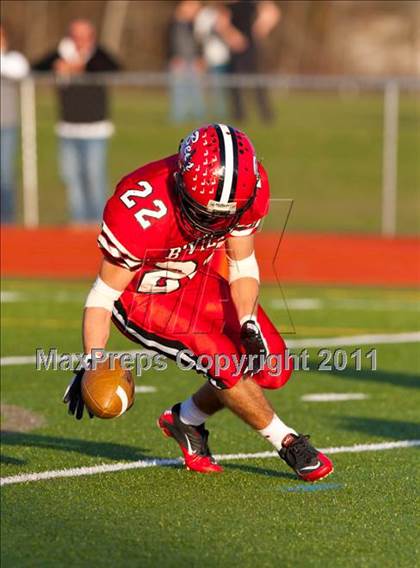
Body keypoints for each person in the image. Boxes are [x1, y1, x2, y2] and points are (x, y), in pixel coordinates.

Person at [63, 123, 334, 482]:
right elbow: (102, 296)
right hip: (141, 298)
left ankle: (185, 420)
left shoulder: (247, 188)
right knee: (222, 359)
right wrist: (93, 357)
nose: (214, 223)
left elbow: (241, 263)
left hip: (195, 280)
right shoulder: (141, 208)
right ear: (180, 183)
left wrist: (248, 321)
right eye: (205, 213)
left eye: (224, 216)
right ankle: (288, 442)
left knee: (273, 368)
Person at [33, 19, 120, 224]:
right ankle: (79, 223)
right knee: (72, 179)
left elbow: (115, 67)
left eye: (85, 35)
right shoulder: (61, 52)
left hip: (95, 129)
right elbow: (36, 67)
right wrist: (59, 66)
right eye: (76, 35)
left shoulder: (98, 55)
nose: (80, 40)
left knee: (94, 177)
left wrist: (80, 67)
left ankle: (99, 223)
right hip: (68, 128)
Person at [220, 0, 281, 123]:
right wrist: (232, 36)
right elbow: (221, 23)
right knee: (235, 83)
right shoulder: (227, 5)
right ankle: (239, 115)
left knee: (258, 82)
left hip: (252, 47)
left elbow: (273, 12)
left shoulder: (253, 3)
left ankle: (265, 115)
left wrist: (262, 26)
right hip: (236, 48)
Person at [0, 24, 29, 223]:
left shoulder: (14, 59)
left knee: (5, 176)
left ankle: (6, 222)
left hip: (6, 125)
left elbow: (19, 71)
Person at [167, 0, 205, 123]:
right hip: (179, 62)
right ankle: (178, 118)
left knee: (196, 92)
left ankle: (199, 117)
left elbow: (198, 43)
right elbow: (169, 43)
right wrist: (174, 56)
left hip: (193, 62)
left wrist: (199, 58)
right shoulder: (173, 24)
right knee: (178, 91)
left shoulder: (194, 25)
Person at [194, 2, 231, 118]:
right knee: (207, 88)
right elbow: (199, 36)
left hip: (225, 58)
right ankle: (205, 114)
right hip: (208, 58)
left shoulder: (227, 12)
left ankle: (222, 115)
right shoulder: (204, 14)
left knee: (223, 89)